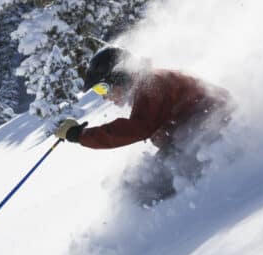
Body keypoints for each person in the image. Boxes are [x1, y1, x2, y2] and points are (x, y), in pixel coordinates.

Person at [55, 47, 232, 205]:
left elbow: (138, 127)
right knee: (136, 184)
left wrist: (79, 135)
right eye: (98, 92)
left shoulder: (152, 83)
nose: (104, 97)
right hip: (201, 135)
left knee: (143, 189)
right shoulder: (147, 85)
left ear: (120, 76)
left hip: (217, 130)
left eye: (103, 88)